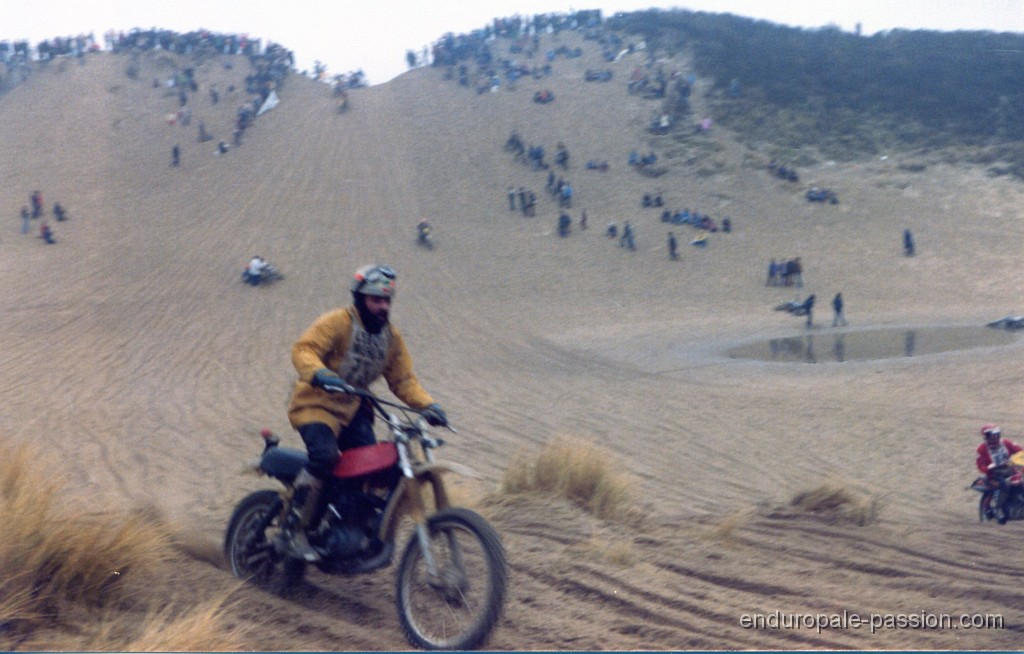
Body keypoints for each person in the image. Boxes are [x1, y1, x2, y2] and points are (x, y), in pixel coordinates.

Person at [283, 264, 448, 560]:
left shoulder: (391, 338)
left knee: (370, 469)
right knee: (325, 457)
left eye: (387, 300)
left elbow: (403, 379)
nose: (382, 306)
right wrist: (320, 373)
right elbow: (304, 349)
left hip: (355, 408)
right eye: (375, 299)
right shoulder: (337, 321)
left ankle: (342, 524)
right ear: (360, 298)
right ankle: (292, 530)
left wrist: (428, 405)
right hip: (317, 403)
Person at [976, 424, 1023, 524]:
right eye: (991, 436)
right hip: (994, 474)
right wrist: (988, 468)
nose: (994, 438)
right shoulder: (982, 449)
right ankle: (998, 509)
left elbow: (1020, 450)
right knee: (1005, 485)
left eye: (996, 435)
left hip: (1010, 470)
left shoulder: (1006, 443)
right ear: (986, 437)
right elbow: (980, 465)